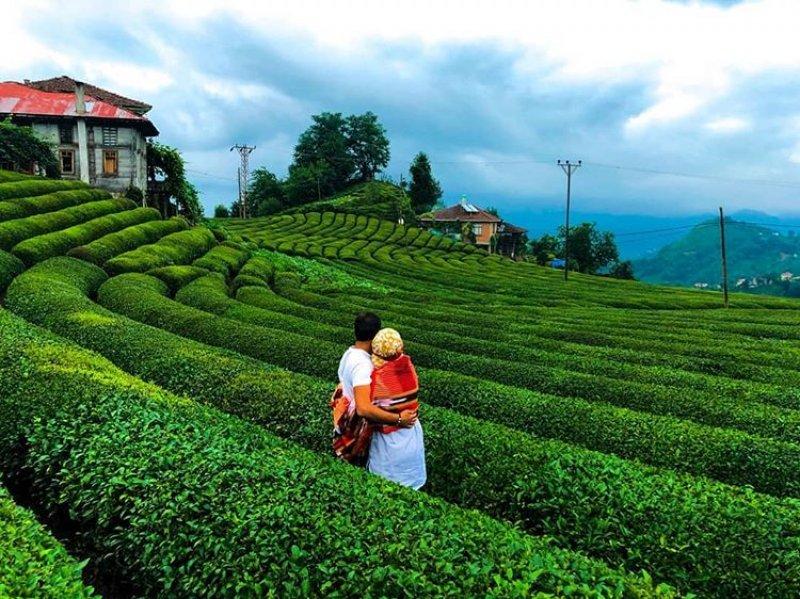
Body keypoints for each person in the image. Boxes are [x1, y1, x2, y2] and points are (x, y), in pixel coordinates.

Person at [333, 313, 417, 467]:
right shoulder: (363, 365)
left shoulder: (350, 353)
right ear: (376, 336)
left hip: (346, 424)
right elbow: (363, 408)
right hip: (356, 431)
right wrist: (399, 419)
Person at [368, 327, 427, 489]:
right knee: (411, 484)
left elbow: (369, 413)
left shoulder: (378, 381)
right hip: (411, 431)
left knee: (385, 486)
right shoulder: (408, 367)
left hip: (389, 441)